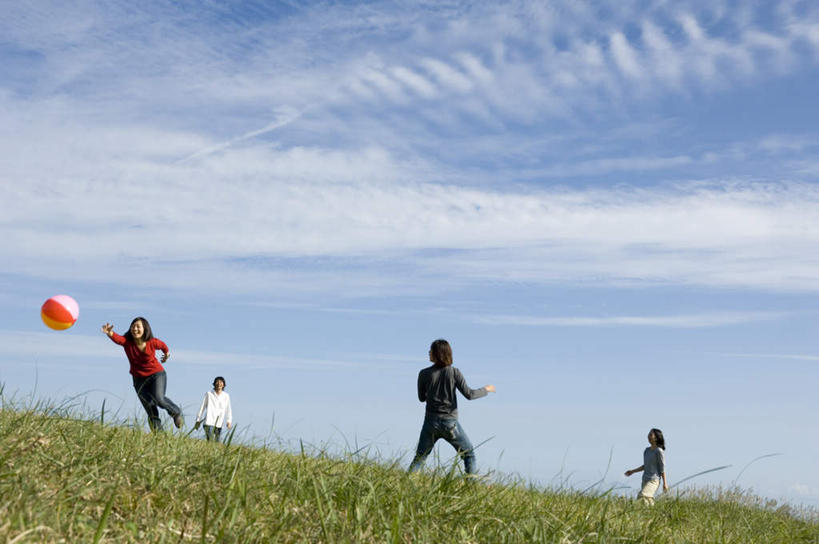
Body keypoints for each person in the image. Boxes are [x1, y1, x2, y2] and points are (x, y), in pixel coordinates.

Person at [408, 339, 496, 475]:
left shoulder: (424, 373)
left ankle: (407, 485)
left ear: (438, 354)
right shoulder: (454, 373)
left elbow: (421, 398)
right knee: (469, 456)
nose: (429, 353)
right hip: (450, 424)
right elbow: (470, 394)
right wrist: (486, 389)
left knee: (420, 458)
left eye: (431, 350)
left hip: (430, 423)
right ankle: (470, 488)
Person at [101, 317, 184, 431]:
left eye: (138, 327)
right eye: (133, 327)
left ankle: (176, 412)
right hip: (139, 379)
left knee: (158, 398)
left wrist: (166, 354)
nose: (135, 329)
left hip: (156, 374)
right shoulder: (127, 343)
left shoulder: (152, 342)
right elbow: (118, 339)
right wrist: (109, 332)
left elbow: (163, 346)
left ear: (145, 329)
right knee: (150, 408)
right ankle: (159, 437)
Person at [624, 428, 669, 505]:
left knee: (642, 495)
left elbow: (662, 468)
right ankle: (654, 513)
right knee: (646, 500)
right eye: (649, 434)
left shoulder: (659, 451)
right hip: (645, 479)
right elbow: (645, 466)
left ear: (656, 438)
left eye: (651, 434)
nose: (648, 436)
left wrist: (665, 483)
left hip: (654, 480)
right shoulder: (646, 450)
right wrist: (632, 471)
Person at [193, 376, 233, 441]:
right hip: (208, 422)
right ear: (214, 384)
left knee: (217, 443)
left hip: (219, 423)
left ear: (223, 385)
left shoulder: (226, 396)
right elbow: (202, 407)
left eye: (221, 382)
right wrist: (198, 420)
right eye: (217, 382)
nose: (219, 384)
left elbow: (228, 409)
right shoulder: (209, 394)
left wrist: (229, 421)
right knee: (210, 441)